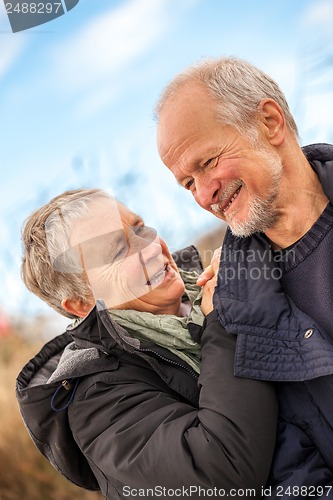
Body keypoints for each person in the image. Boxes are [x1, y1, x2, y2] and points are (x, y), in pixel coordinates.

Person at [16, 188, 277, 500]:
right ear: (82, 304)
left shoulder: (223, 282)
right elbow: (221, 475)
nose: (151, 247)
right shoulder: (98, 407)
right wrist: (222, 323)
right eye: (116, 251)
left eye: (139, 228)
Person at [156, 57, 333, 497]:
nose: (203, 194)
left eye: (209, 161)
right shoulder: (233, 311)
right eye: (186, 183)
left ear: (270, 122)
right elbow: (294, 472)